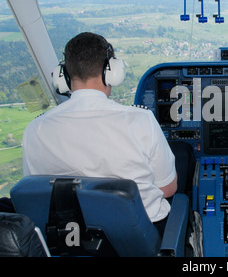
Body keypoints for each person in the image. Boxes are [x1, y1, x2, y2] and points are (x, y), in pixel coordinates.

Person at [22, 32, 182, 236]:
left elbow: (34, 192)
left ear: (63, 76)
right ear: (111, 71)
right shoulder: (140, 120)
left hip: (65, 240)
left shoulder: (35, 130)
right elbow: (167, 189)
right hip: (137, 241)